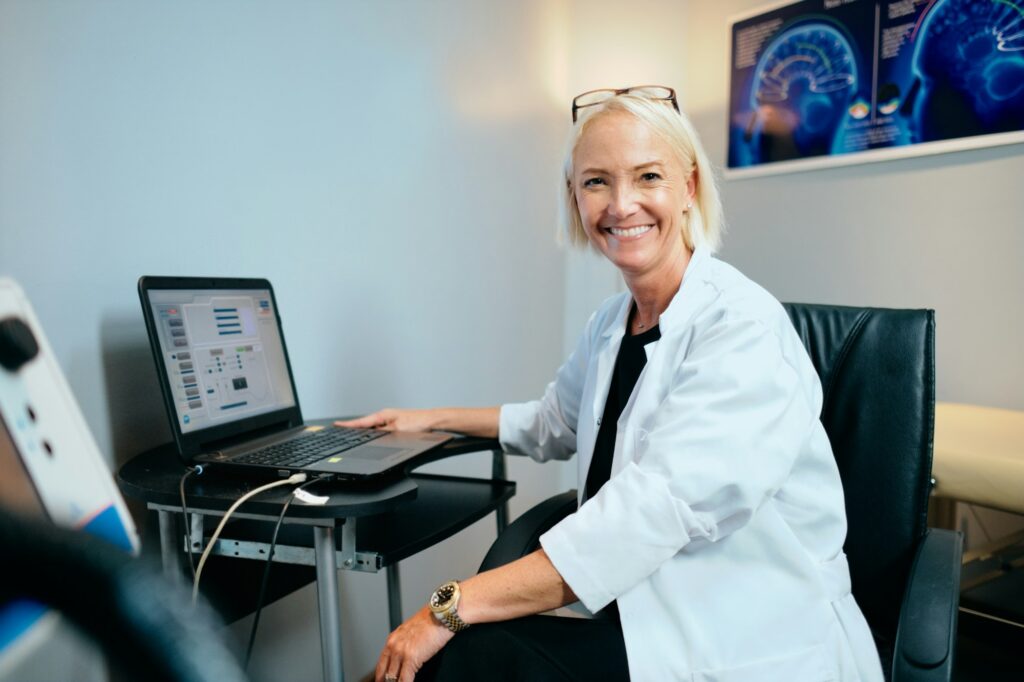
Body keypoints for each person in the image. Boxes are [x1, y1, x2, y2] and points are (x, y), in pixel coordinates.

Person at [338, 86, 884, 681]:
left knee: (462, 649)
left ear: (689, 188)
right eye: (596, 182)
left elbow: (650, 513)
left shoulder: (743, 329)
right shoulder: (611, 322)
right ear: (575, 199)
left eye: (648, 176)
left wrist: (445, 608)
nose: (621, 205)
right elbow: (552, 421)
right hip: (645, 621)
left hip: (747, 638)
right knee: (455, 654)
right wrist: (428, 418)